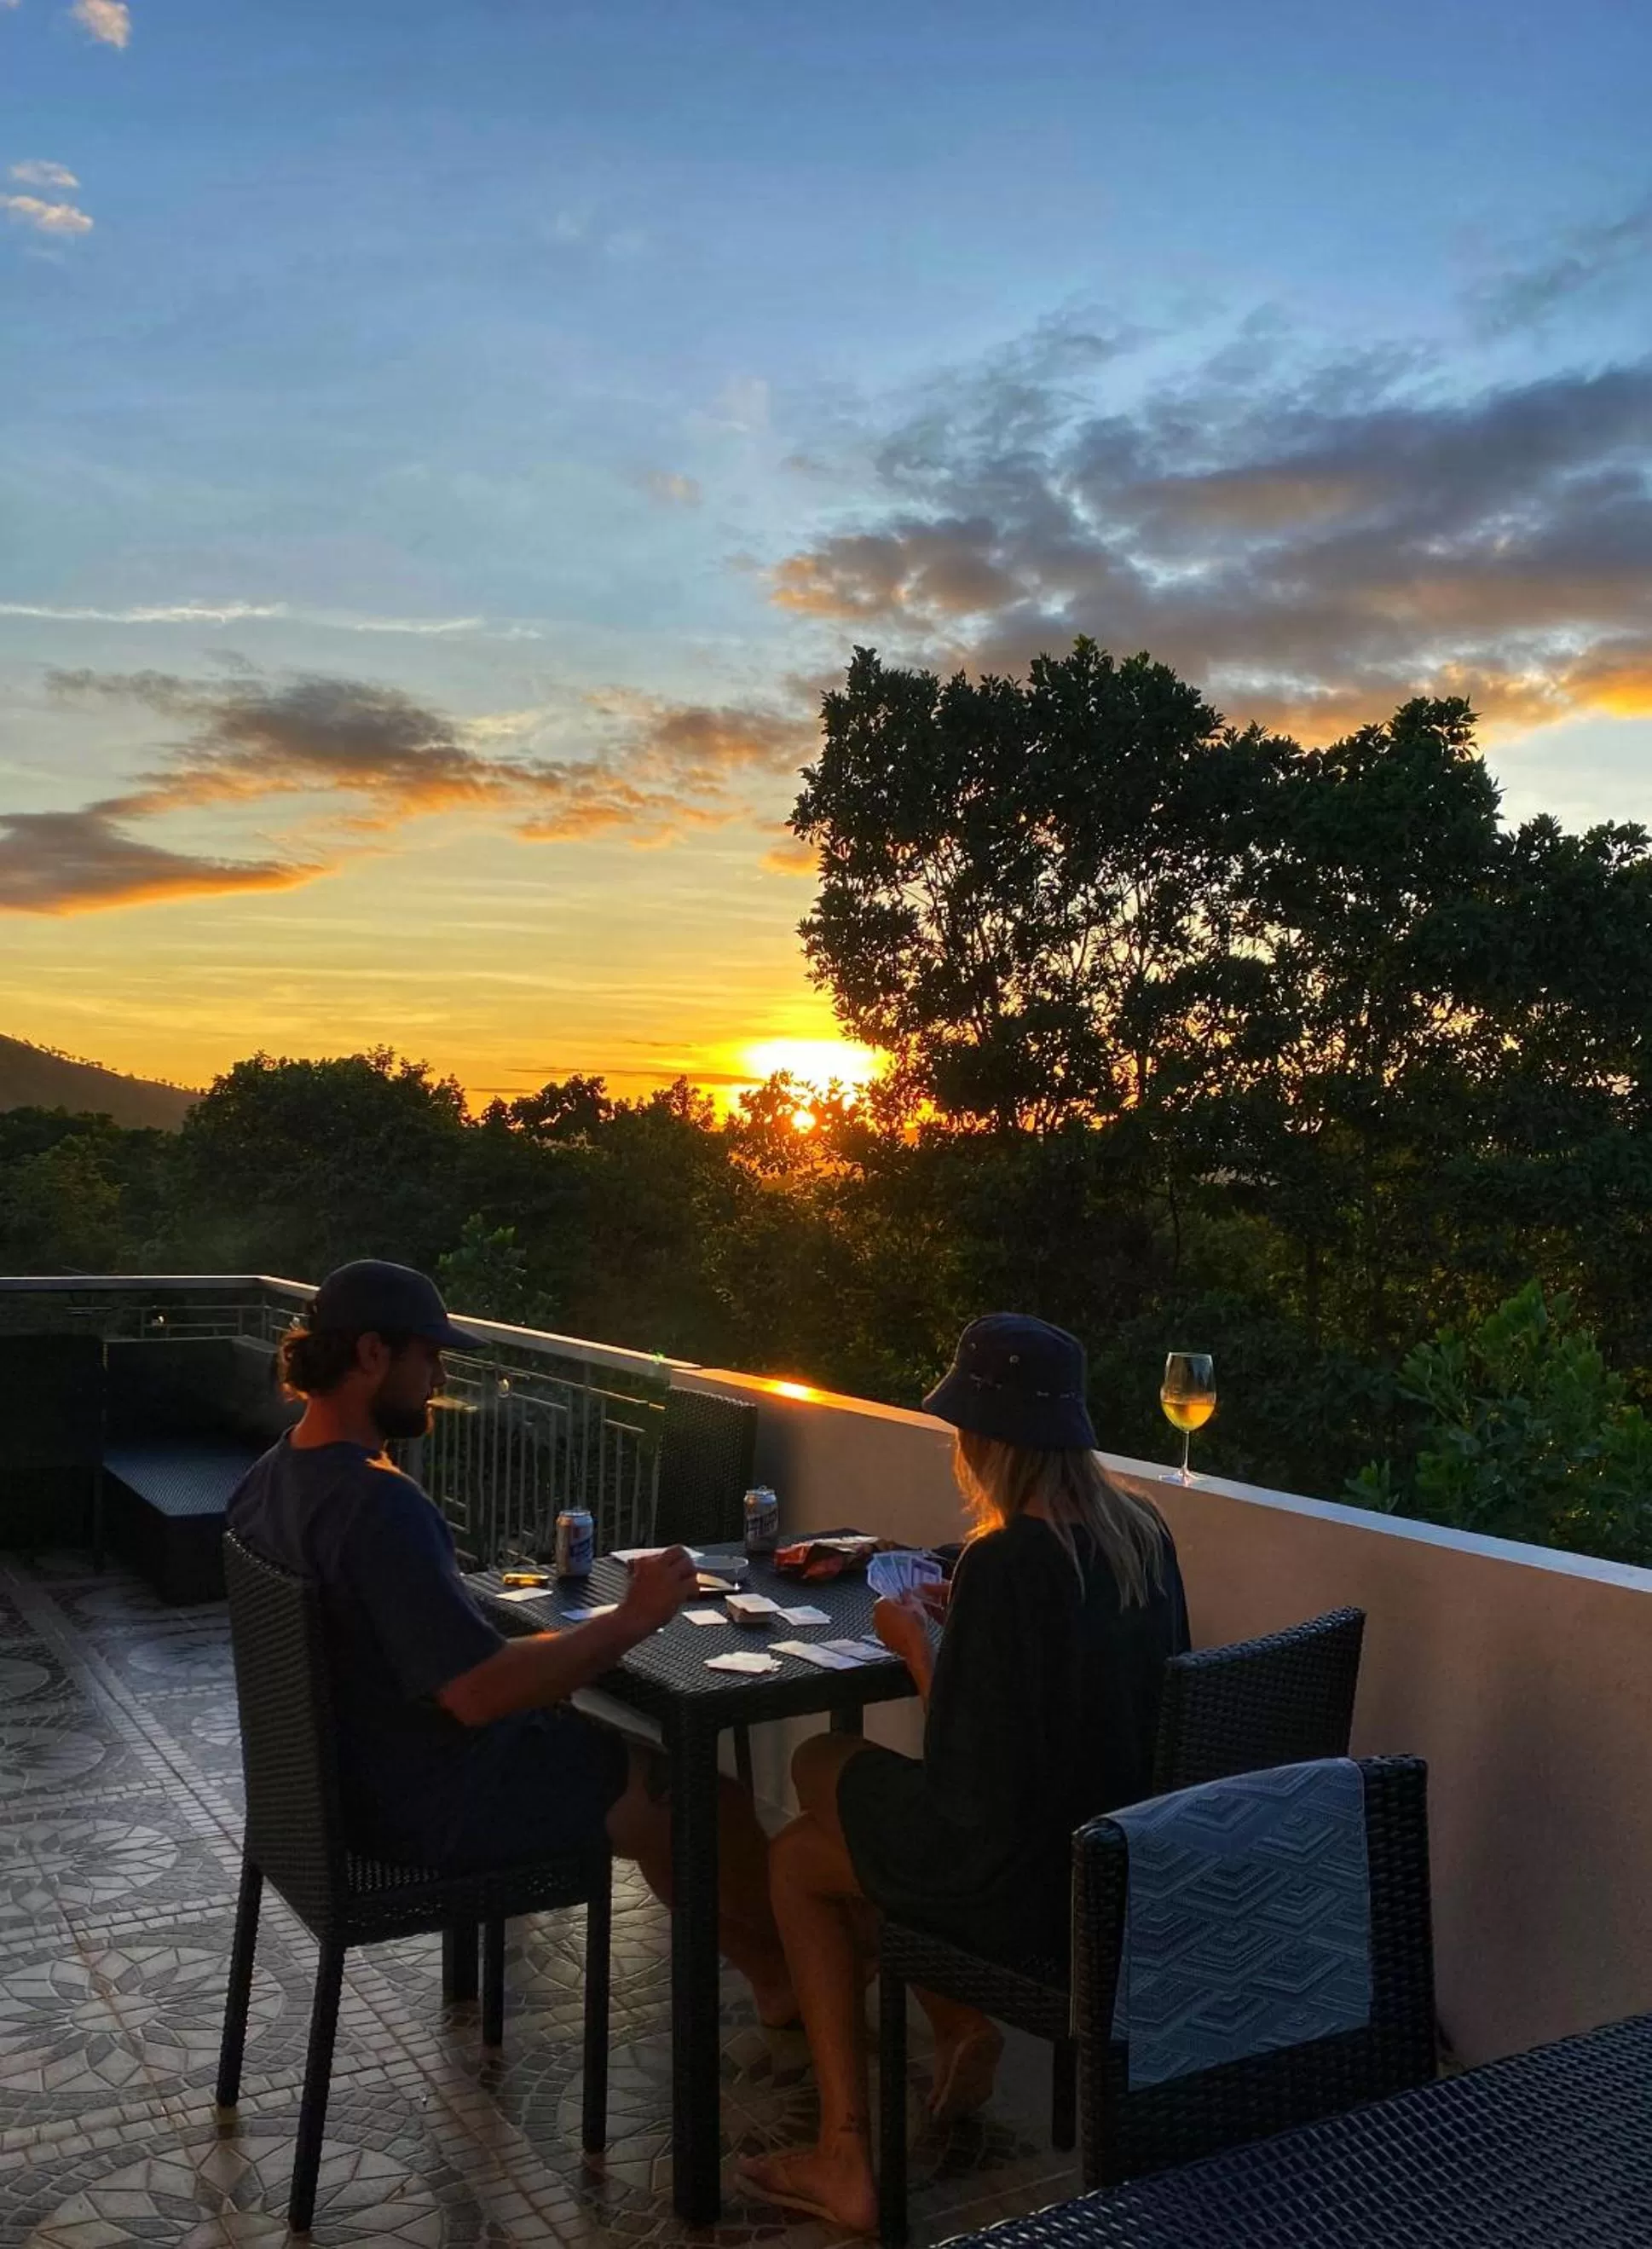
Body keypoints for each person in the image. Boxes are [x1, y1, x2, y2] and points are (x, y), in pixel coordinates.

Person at [226, 1257, 793, 2025]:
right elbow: (478, 1692)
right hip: (433, 1801)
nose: (436, 1377)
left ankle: (778, 1981)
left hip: (334, 1797)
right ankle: (807, 1974)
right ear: (370, 1354)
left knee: (630, 1765)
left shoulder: (269, 1478)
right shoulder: (378, 1504)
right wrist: (632, 1618)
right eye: (429, 1356)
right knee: (696, 1799)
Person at [742, 1313, 1190, 2229]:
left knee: (801, 1840)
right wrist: (968, 1623)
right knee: (829, 1791)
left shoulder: (1007, 1558)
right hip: (1120, 1860)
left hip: (1018, 1881)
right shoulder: (1142, 1533)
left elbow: (963, 1777)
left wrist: (917, 1642)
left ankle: (846, 2151)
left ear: (987, 1437)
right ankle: (949, 2023)